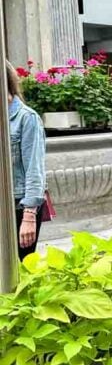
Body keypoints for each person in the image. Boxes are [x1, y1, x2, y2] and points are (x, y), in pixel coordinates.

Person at [7, 61, 46, 259]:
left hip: (18, 206)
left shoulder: (26, 118)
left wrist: (29, 215)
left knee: (17, 271)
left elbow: (35, 169)